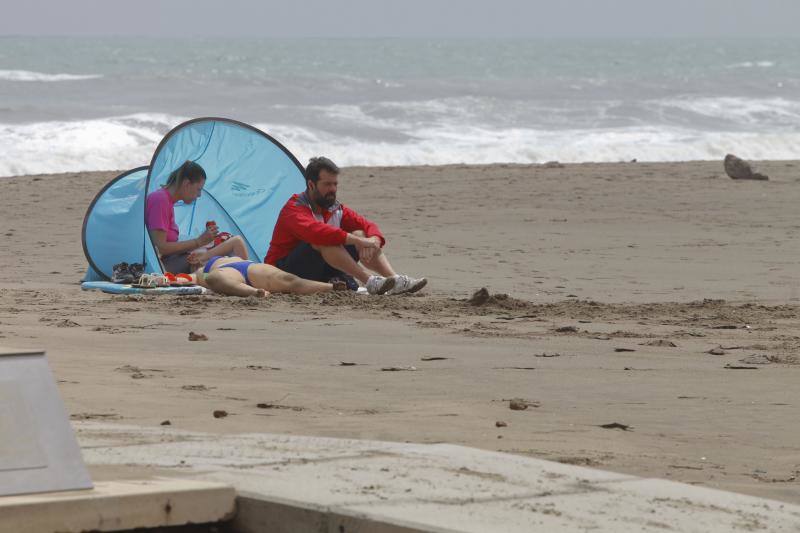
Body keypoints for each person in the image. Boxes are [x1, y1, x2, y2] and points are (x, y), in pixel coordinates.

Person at [264, 156, 427, 295]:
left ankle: (395, 281)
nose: (333, 189)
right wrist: (359, 242)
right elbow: (317, 233)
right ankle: (369, 281)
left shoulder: (334, 207)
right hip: (283, 271)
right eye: (327, 184)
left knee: (360, 233)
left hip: (319, 267)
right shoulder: (294, 208)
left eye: (335, 184)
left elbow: (366, 224)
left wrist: (373, 240)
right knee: (325, 238)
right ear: (311, 185)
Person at [145, 160, 249, 274]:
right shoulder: (160, 200)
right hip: (165, 266)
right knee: (235, 242)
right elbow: (160, 248)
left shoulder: (167, 201)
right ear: (186, 184)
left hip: (174, 259)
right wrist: (198, 242)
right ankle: (248, 275)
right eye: (198, 189)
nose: (199, 195)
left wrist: (202, 243)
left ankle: (245, 275)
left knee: (229, 241)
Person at [193, 255, 346, 297]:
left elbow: (237, 240)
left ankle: (331, 287)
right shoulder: (198, 272)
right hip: (223, 272)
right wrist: (201, 274)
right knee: (214, 278)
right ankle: (253, 292)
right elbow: (177, 279)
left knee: (288, 280)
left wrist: (206, 252)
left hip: (248, 266)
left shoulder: (219, 251)